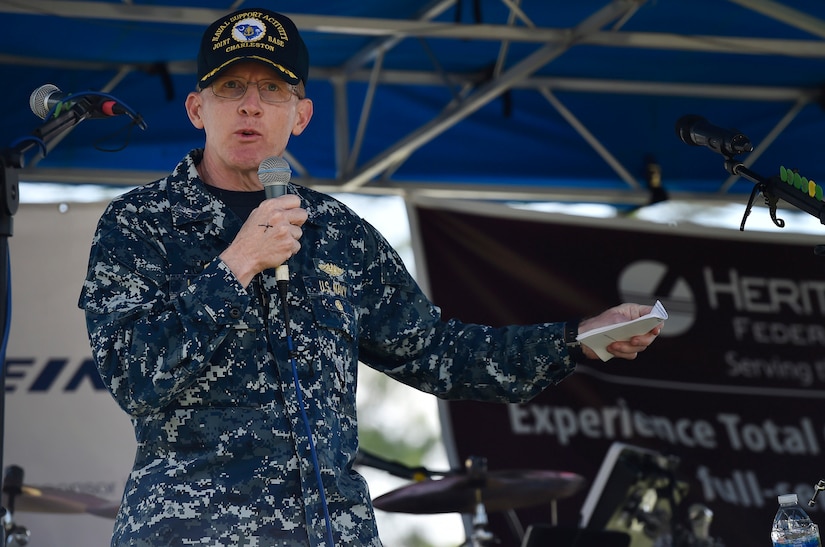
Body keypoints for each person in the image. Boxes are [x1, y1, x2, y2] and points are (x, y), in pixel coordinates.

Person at [78, 7, 662, 547]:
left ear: (300, 115)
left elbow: (440, 351)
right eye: (231, 87)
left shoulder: (337, 233)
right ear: (196, 109)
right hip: (192, 532)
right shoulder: (139, 223)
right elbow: (135, 377)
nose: (250, 105)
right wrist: (237, 264)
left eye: (272, 89)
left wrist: (576, 336)